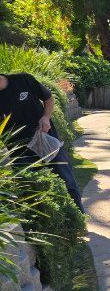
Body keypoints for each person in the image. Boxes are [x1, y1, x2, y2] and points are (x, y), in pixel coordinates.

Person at [0, 72, 84, 212]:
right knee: (32, 191)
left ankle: (80, 218)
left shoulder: (23, 79)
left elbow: (49, 99)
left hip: (45, 138)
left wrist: (45, 117)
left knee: (67, 180)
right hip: (19, 150)